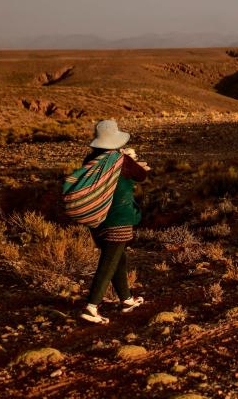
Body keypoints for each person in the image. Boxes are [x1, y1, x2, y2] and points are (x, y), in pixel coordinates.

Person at [79, 119, 149, 325]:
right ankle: (92, 306)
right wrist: (131, 158)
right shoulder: (121, 160)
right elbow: (141, 176)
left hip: (96, 217)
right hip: (118, 218)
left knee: (117, 257)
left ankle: (126, 299)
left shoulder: (90, 160)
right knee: (110, 260)